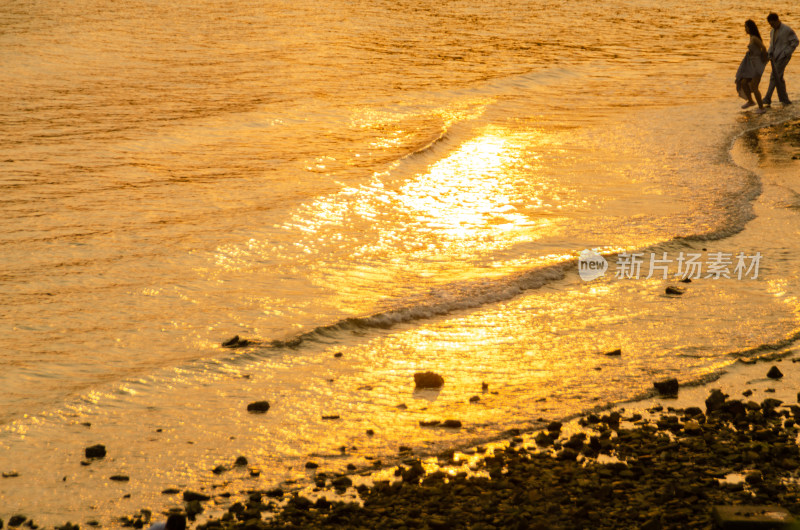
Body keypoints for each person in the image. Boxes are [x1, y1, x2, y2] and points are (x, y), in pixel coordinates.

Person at [763, 13, 799, 106]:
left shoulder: (786, 29)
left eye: (772, 24)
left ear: (777, 20)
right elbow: (772, 44)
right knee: (779, 78)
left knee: (774, 76)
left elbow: (795, 41)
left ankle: (767, 98)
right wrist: (769, 53)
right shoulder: (772, 31)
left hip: (783, 57)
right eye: (770, 24)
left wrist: (786, 53)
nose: (771, 26)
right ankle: (785, 99)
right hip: (774, 57)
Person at [735, 19, 769, 114]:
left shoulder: (754, 38)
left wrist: (764, 59)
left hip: (757, 65)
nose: (745, 29)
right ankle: (750, 101)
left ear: (750, 28)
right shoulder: (751, 37)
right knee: (743, 82)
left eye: (746, 27)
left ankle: (761, 108)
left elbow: (763, 47)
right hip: (751, 65)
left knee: (754, 87)